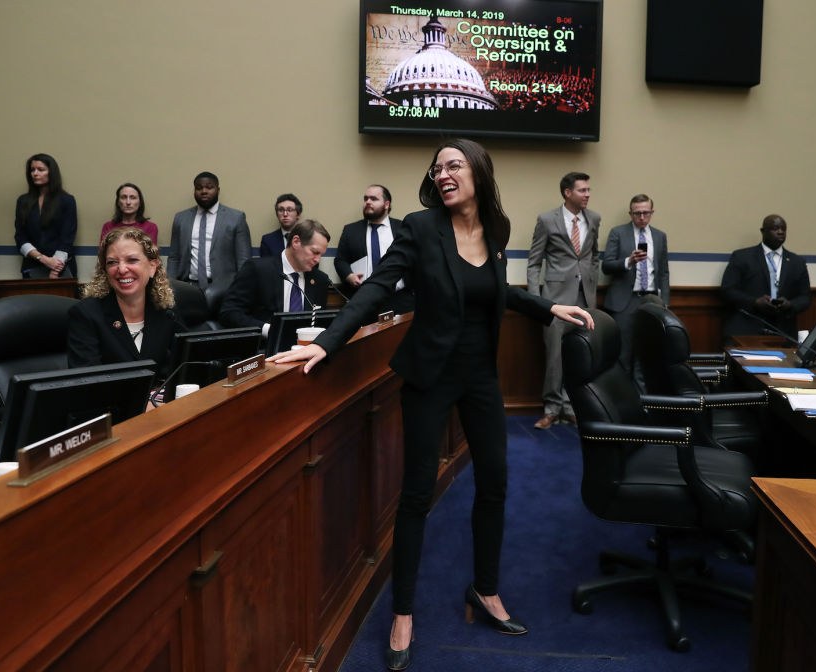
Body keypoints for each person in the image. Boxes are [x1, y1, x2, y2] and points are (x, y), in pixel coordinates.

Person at [267, 139, 593, 670]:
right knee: (417, 493)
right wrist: (327, 342)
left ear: (478, 173)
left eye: (454, 165)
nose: (443, 174)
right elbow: (375, 289)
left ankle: (484, 589)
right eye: (437, 167)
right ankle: (402, 613)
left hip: (481, 377)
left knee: (495, 482)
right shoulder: (418, 228)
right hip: (430, 377)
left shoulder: (497, 230)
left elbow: (497, 291)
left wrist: (547, 305)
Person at [526, 172, 600, 429]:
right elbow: (534, 262)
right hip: (555, 301)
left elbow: (594, 255)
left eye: (589, 190)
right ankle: (551, 409)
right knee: (554, 357)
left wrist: (592, 281)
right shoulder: (547, 220)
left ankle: (570, 408)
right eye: (583, 190)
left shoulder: (594, 219)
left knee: (578, 356)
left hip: (585, 299)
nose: (588, 194)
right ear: (568, 193)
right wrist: (536, 301)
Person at [68, 227, 184, 380]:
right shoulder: (85, 314)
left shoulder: (165, 309)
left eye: (132, 260)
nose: (122, 269)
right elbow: (87, 381)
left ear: (152, 267)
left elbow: (187, 362)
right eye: (112, 262)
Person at [602, 194, 670, 392]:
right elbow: (606, 266)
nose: (641, 217)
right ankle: (623, 403)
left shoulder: (659, 236)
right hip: (624, 302)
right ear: (630, 213)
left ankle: (644, 403)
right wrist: (628, 261)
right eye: (637, 213)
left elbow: (664, 272)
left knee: (646, 354)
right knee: (622, 355)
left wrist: (664, 301)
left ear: (652, 212)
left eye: (645, 213)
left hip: (651, 301)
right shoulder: (618, 233)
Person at [220, 219, 331, 336]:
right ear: (296, 242)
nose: (317, 260)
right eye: (314, 252)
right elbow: (229, 314)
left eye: (321, 255)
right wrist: (268, 330)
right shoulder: (258, 269)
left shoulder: (320, 279)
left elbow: (319, 322)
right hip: (265, 347)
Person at [721, 215, 811, 341]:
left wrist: (790, 304)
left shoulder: (797, 262)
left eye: (783, 229)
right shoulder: (742, 257)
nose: (780, 232)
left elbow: (805, 297)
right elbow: (727, 290)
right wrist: (754, 302)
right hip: (746, 329)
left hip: (783, 331)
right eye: (775, 228)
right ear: (763, 231)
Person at [333, 185, 414, 321]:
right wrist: (349, 276)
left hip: (400, 297)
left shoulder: (402, 228)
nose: (368, 202)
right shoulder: (351, 230)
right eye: (366, 199)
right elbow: (340, 260)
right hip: (364, 298)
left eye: (373, 199)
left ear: (386, 204)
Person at [167, 172, 252, 287]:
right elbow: (174, 257)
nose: (204, 191)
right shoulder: (181, 218)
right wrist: (169, 284)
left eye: (209, 187)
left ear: (218, 190)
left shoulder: (236, 217)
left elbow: (243, 258)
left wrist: (242, 287)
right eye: (199, 188)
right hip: (188, 285)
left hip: (224, 287)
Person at [14, 153, 78, 278]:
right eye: (32, 170)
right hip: (32, 266)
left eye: (41, 169)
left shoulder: (67, 200)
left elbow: (67, 237)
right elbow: (20, 238)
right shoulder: (23, 201)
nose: (35, 173)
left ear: (52, 172)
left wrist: (55, 269)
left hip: (61, 267)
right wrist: (43, 259)